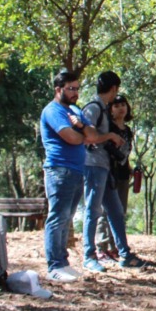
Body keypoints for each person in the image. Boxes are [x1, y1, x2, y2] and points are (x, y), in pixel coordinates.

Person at [82, 72, 148, 272]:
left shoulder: (102, 108)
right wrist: (110, 135)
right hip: (93, 165)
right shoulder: (94, 108)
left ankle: (124, 254)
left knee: (117, 212)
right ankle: (89, 255)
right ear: (113, 89)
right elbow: (87, 133)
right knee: (93, 210)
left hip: (105, 167)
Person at [39, 68, 97, 282]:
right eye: (71, 88)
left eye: (77, 88)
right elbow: (71, 137)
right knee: (57, 217)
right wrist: (81, 134)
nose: (75, 93)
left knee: (66, 218)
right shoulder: (53, 111)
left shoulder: (75, 111)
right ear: (58, 89)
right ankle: (54, 265)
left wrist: (81, 126)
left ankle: (63, 262)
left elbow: (92, 135)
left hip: (76, 170)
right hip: (59, 170)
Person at [95, 94, 135, 263]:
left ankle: (115, 247)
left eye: (123, 104)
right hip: (109, 173)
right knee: (105, 212)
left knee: (120, 212)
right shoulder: (108, 128)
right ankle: (101, 248)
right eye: (116, 105)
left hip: (123, 174)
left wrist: (130, 167)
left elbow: (126, 152)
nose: (120, 108)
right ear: (110, 109)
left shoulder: (128, 130)